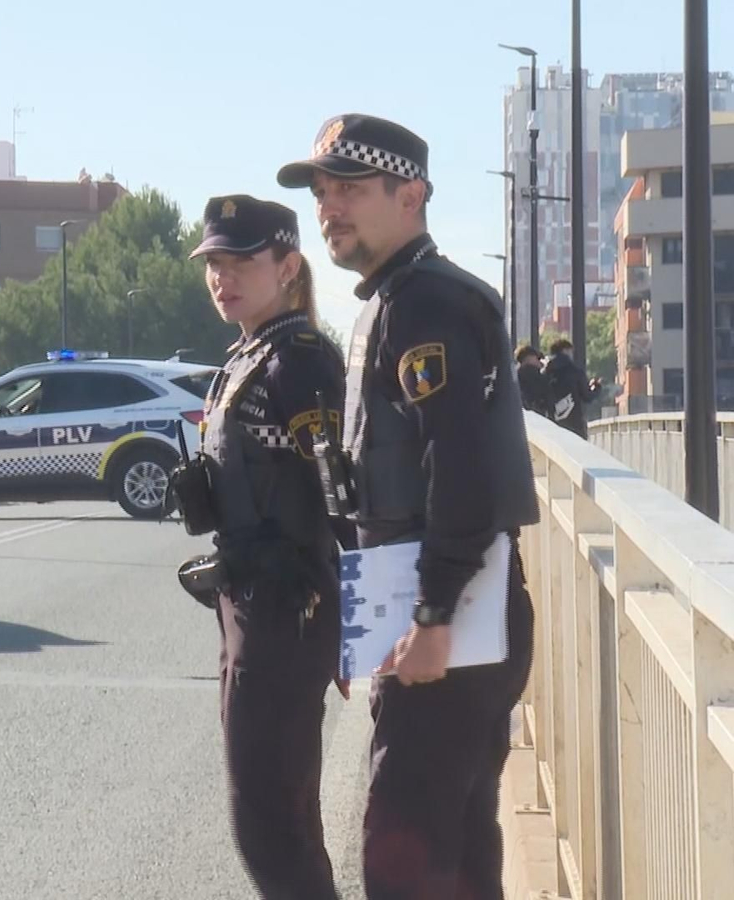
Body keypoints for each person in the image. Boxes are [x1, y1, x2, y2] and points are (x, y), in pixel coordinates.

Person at [276, 113, 541, 900]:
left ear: (412, 195)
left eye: (350, 190)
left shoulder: (424, 304)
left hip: (448, 617)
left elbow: (459, 470)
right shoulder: (398, 298)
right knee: (457, 855)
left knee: (406, 858)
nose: (329, 208)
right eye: (321, 194)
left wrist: (431, 616)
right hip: (439, 608)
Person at [169, 194, 347, 900]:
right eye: (213, 263)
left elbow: (344, 496)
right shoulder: (249, 355)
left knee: (268, 825)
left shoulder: (299, 362)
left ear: (288, 267)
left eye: (241, 261)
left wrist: (363, 629)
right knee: (284, 817)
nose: (222, 277)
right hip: (249, 603)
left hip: (286, 609)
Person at [542, 338, 602, 437]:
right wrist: (596, 387)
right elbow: (587, 396)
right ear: (565, 350)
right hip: (574, 425)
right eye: (570, 351)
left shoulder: (545, 373)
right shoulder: (575, 371)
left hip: (552, 426)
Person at [515, 344, 552, 419]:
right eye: (537, 358)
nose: (539, 361)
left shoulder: (515, 375)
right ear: (530, 358)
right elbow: (547, 394)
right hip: (537, 415)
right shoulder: (534, 375)